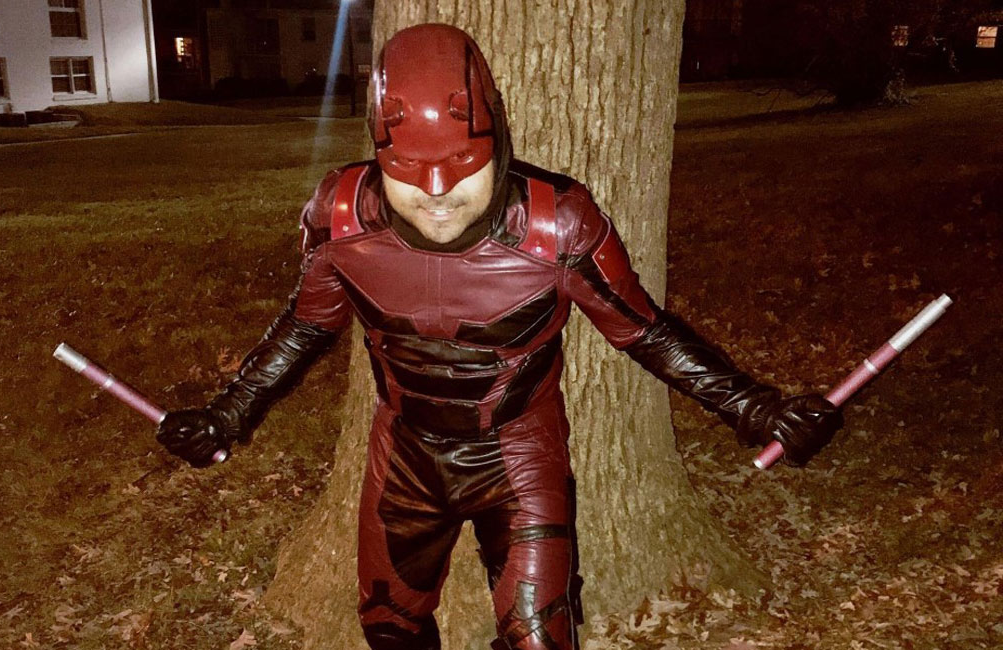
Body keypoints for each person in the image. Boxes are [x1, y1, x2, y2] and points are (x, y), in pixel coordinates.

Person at [157, 23, 842, 650]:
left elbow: (645, 333)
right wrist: (228, 414)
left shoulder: (557, 225)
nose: (436, 193)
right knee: (388, 627)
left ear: (499, 140)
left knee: (539, 640)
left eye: (462, 162)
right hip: (405, 456)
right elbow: (305, 326)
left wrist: (756, 408)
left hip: (517, 455)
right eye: (408, 169)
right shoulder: (342, 218)